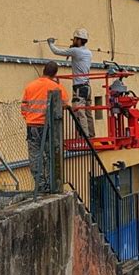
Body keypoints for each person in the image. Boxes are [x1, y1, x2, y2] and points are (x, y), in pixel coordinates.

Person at [20, 61, 68, 193]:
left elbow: (23, 107)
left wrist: (28, 117)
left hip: (32, 126)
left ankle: (40, 183)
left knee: (35, 155)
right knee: (51, 154)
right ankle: (51, 183)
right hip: (49, 127)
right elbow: (64, 103)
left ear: (43, 70)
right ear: (55, 73)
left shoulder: (30, 86)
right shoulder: (56, 87)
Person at [47, 28, 96, 138]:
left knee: (79, 112)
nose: (73, 41)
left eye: (74, 39)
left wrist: (50, 43)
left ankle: (84, 138)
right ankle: (91, 135)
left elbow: (57, 51)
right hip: (87, 86)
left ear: (78, 40)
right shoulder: (88, 52)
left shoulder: (76, 51)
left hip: (79, 87)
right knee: (88, 112)